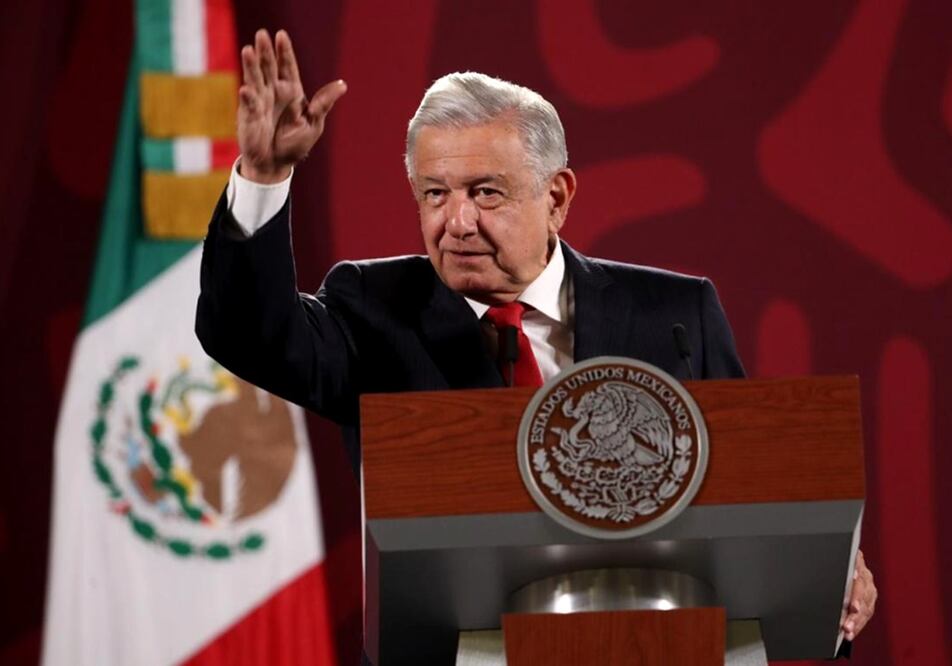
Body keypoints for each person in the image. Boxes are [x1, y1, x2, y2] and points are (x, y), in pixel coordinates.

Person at [196, 27, 877, 655]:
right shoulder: (374, 311)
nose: (456, 222)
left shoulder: (674, 315)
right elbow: (251, 334)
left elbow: (755, 492)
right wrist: (263, 176)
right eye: (434, 194)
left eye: (485, 192)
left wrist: (834, 565)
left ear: (557, 196)